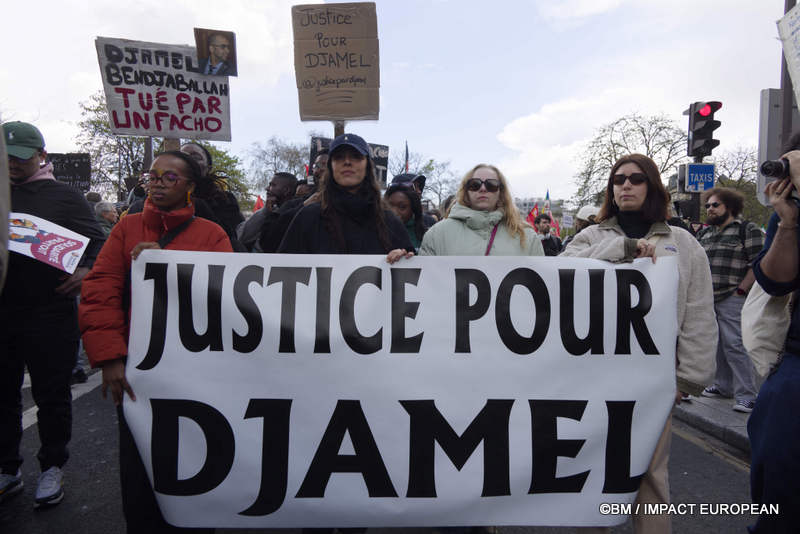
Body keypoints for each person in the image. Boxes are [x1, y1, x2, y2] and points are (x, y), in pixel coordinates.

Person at [561, 153, 716, 534]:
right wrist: (623, 250)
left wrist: (689, 379)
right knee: (590, 472)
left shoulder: (684, 243)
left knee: (650, 477)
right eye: (618, 179)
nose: (625, 185)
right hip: (593, 378)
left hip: (653, 382)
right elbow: (563, 273)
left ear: (652, 187)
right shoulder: (589, 237)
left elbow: (698, 313)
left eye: (635, 179)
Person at [79, 150, 231, 533]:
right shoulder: (126, 228)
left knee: (195, 456)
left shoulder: (212, 235)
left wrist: (168, 261)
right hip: (137, 372)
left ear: (191, 187)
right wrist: (111, 358)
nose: (158, 182)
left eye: (170, 177)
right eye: (153, 175)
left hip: (195, 376)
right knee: (139, 464)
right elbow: (100, 291)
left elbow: (224, 297)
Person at [0, 121, 106, 508]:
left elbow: (98, 242)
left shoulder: (64, 197)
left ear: (42, 155)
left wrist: (86, 270)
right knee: (3, 396)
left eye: (21, 158)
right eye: (6, 156)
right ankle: (7, 469)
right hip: (3, 312)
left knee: (52, 395)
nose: (12, 164)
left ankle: (52, 467)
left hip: (49, 312)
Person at [747, 143, 800, 533]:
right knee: (777, 468)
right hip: (796, 364)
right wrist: (787, 224)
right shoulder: (790, 214)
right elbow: (777, 282)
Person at [279, 132, 412, 255]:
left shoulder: (389, 222)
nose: (347, 162)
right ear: (331, 167)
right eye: (339, 157)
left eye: (356, 156)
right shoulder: (308, 217)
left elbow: (412, 274)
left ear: (368, 166)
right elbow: (285, 270)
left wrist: (403, 258)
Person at [697, 186, 763, 413]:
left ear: (730, 207)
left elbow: (757, 264)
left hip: (732, 296)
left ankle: (747, 394)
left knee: (734, 344)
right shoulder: (705, 233)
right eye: (708, 205)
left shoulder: (746, 230)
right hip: (708, 298)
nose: (710, 209)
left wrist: (741, 291)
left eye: (715, 205)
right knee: (717, 344)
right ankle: (723, 385)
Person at [397, 164, 543, 257]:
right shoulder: (437, 235)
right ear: (465, 191)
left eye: (491, 185)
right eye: (475, 184)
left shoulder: (527, 237)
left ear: (501, 192)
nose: (483, 188)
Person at [128, 142, 245, 250]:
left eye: (196, 157)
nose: (188, 159)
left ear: (208, 168)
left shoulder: (224, 201)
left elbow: (231, 241)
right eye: (182, 155)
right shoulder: (142, 208)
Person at [238, 172, 298, 252]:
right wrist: (265, 211)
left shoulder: (297, 215)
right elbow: (241, 236)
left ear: (286, 190)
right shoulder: (267, 211)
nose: (267, 188)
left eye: (273, 185)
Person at [384, 181, 428, 252]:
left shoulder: (426, 236)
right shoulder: (375, 233)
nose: (394, 212)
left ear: (413, 209)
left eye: (402, 207)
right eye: (389, 206)